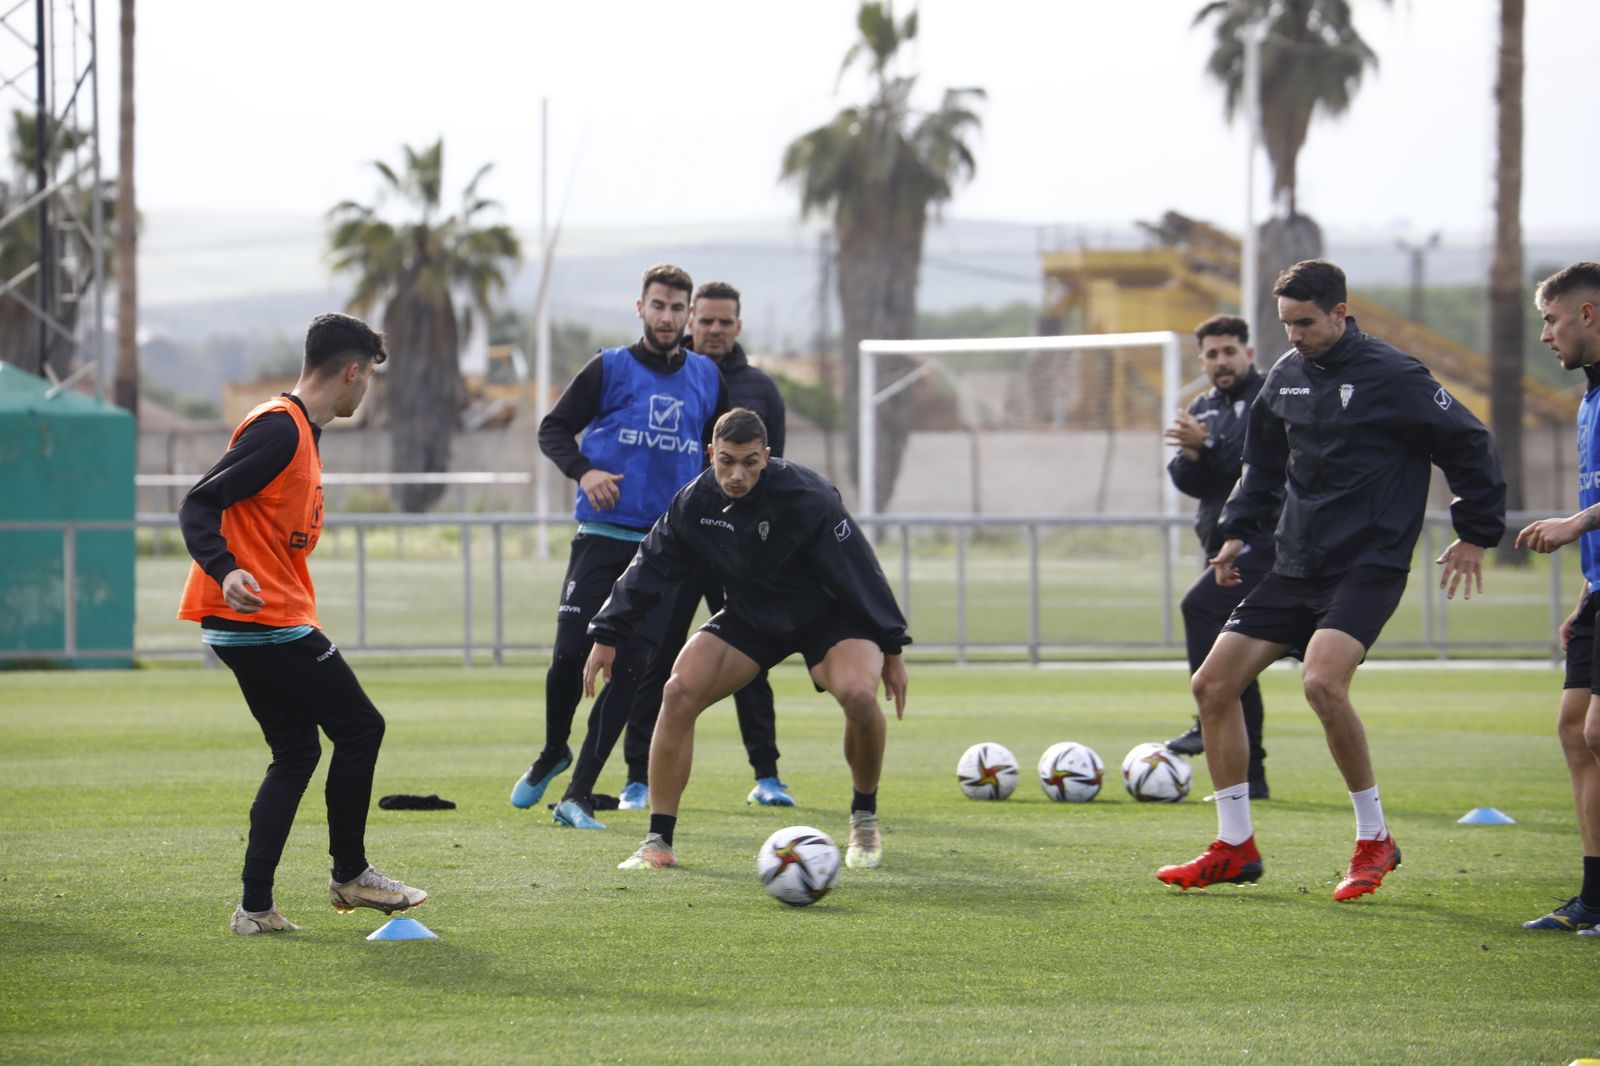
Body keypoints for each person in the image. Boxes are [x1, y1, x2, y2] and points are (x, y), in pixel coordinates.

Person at [1156, 259, 1505, 901]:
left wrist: (1478, 532)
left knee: (1321, 681)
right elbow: (1261, 467)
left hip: (1368, 563)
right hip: (1295, 561)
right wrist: (1236, 529)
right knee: (1212, 684)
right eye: (1286, 323)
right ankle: (1235, 845)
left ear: (1341, 313)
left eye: (1306, 322)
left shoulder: (1395, 376)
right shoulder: (1285, 379)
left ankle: (1375, 839)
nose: (1294, 335)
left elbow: (1468, 441)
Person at [177, 312, 427, 935]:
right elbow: (198, 502)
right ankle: (351, 874)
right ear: (350, 372)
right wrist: (226, 568)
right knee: (361, 726)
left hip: (252, 622)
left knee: (296, 751)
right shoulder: (280, 431)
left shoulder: (301, 434)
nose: (366, 389)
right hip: (265, 620)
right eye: (367, 376)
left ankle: (255, 908)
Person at [583, 408, 910, 872]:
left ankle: (863, 817)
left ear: (767, 456)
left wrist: (892, 648)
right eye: (728, 462)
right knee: (677, 692)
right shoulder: (694, 502)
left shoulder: (809, 495)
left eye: (751, 463)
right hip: (752, 616)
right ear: (711, 454)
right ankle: (658, 842)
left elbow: (862, 569)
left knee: (859, 696)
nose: (737, 475)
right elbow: (649, 564)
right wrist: (607, 632)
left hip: (828, 615)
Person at [509, 263, 728, 831]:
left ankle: (578, 794)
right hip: (602, 538)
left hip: (664, 550)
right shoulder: (609, 368)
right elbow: (552, 429)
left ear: (687, 315)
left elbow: (719, 454)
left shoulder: (706, 377)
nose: (668, 317)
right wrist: (583, 472)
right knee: (567, 656)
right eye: (658, 306)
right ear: (641, 308)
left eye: (678, 308)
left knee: (630, 673)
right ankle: (554, 748)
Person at [616, 280, 796, 810]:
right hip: (680, 547)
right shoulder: (679, 378)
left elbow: (776, 471)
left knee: (750, 660)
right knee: (656, 658)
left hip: (739, 554)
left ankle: (767, 775)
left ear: (738, 326)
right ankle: (637, 779)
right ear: (693, 319)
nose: (714, 330)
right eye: (707, 320)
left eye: (725, 322)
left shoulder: (761, 387)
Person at [1512, 261, 1600, 936]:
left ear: (1588, 315)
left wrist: (1577, 524)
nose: (1546, 335)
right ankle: (1595, 900)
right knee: (1575, 730)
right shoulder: (1588, 399)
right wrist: (1584, 592)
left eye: (1551, 319)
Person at [1161, 314, 1275, 799]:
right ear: (1202, 360)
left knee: (1200, 611)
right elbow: (1196, 482)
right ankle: (1251, 777)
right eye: (1211, 354)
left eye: (1229, 351)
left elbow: (1260, 464)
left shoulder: (1273, 396)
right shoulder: (1203, 406)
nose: (1220, 361)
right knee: (1233, 659)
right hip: (1222, 547)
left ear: (1248, 353)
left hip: (1268, 544)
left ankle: (1210, 716)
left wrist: (1206, 445)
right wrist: (1190, 456)